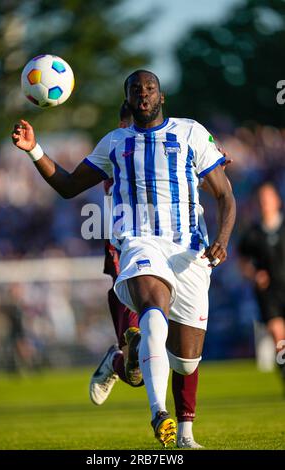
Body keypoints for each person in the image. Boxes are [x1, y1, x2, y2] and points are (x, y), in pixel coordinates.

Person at [11, 69, 236, 447]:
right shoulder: (115, 142)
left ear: (162, 97)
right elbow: (68, 185)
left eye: (150, 89)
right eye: (136, 90)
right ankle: (158, 414)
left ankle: (181, 429)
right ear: (128, 100)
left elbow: (225, 195)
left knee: (184, 361)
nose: (143, 95)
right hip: (138, 242)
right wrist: (35, 149)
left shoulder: (190, 134)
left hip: (190, 252)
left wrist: (223, 239)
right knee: (153, 312)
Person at [90, 101, 233, 449]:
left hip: (176, 250)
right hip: (129, 254)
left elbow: (190, 171)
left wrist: (209, 163)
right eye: (127, 123)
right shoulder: (117, 151)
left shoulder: (174, 140)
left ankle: (184, 429)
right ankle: (125, 364)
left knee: (179, 354)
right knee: (141, 364)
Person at [238, 182, 285, 388]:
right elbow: (242, 261)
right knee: (279, 337)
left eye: (267, 198)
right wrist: (254, 274)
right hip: (269, 294)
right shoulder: (253, 234)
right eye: (261, 200)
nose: (264, 203)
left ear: (277, 201)